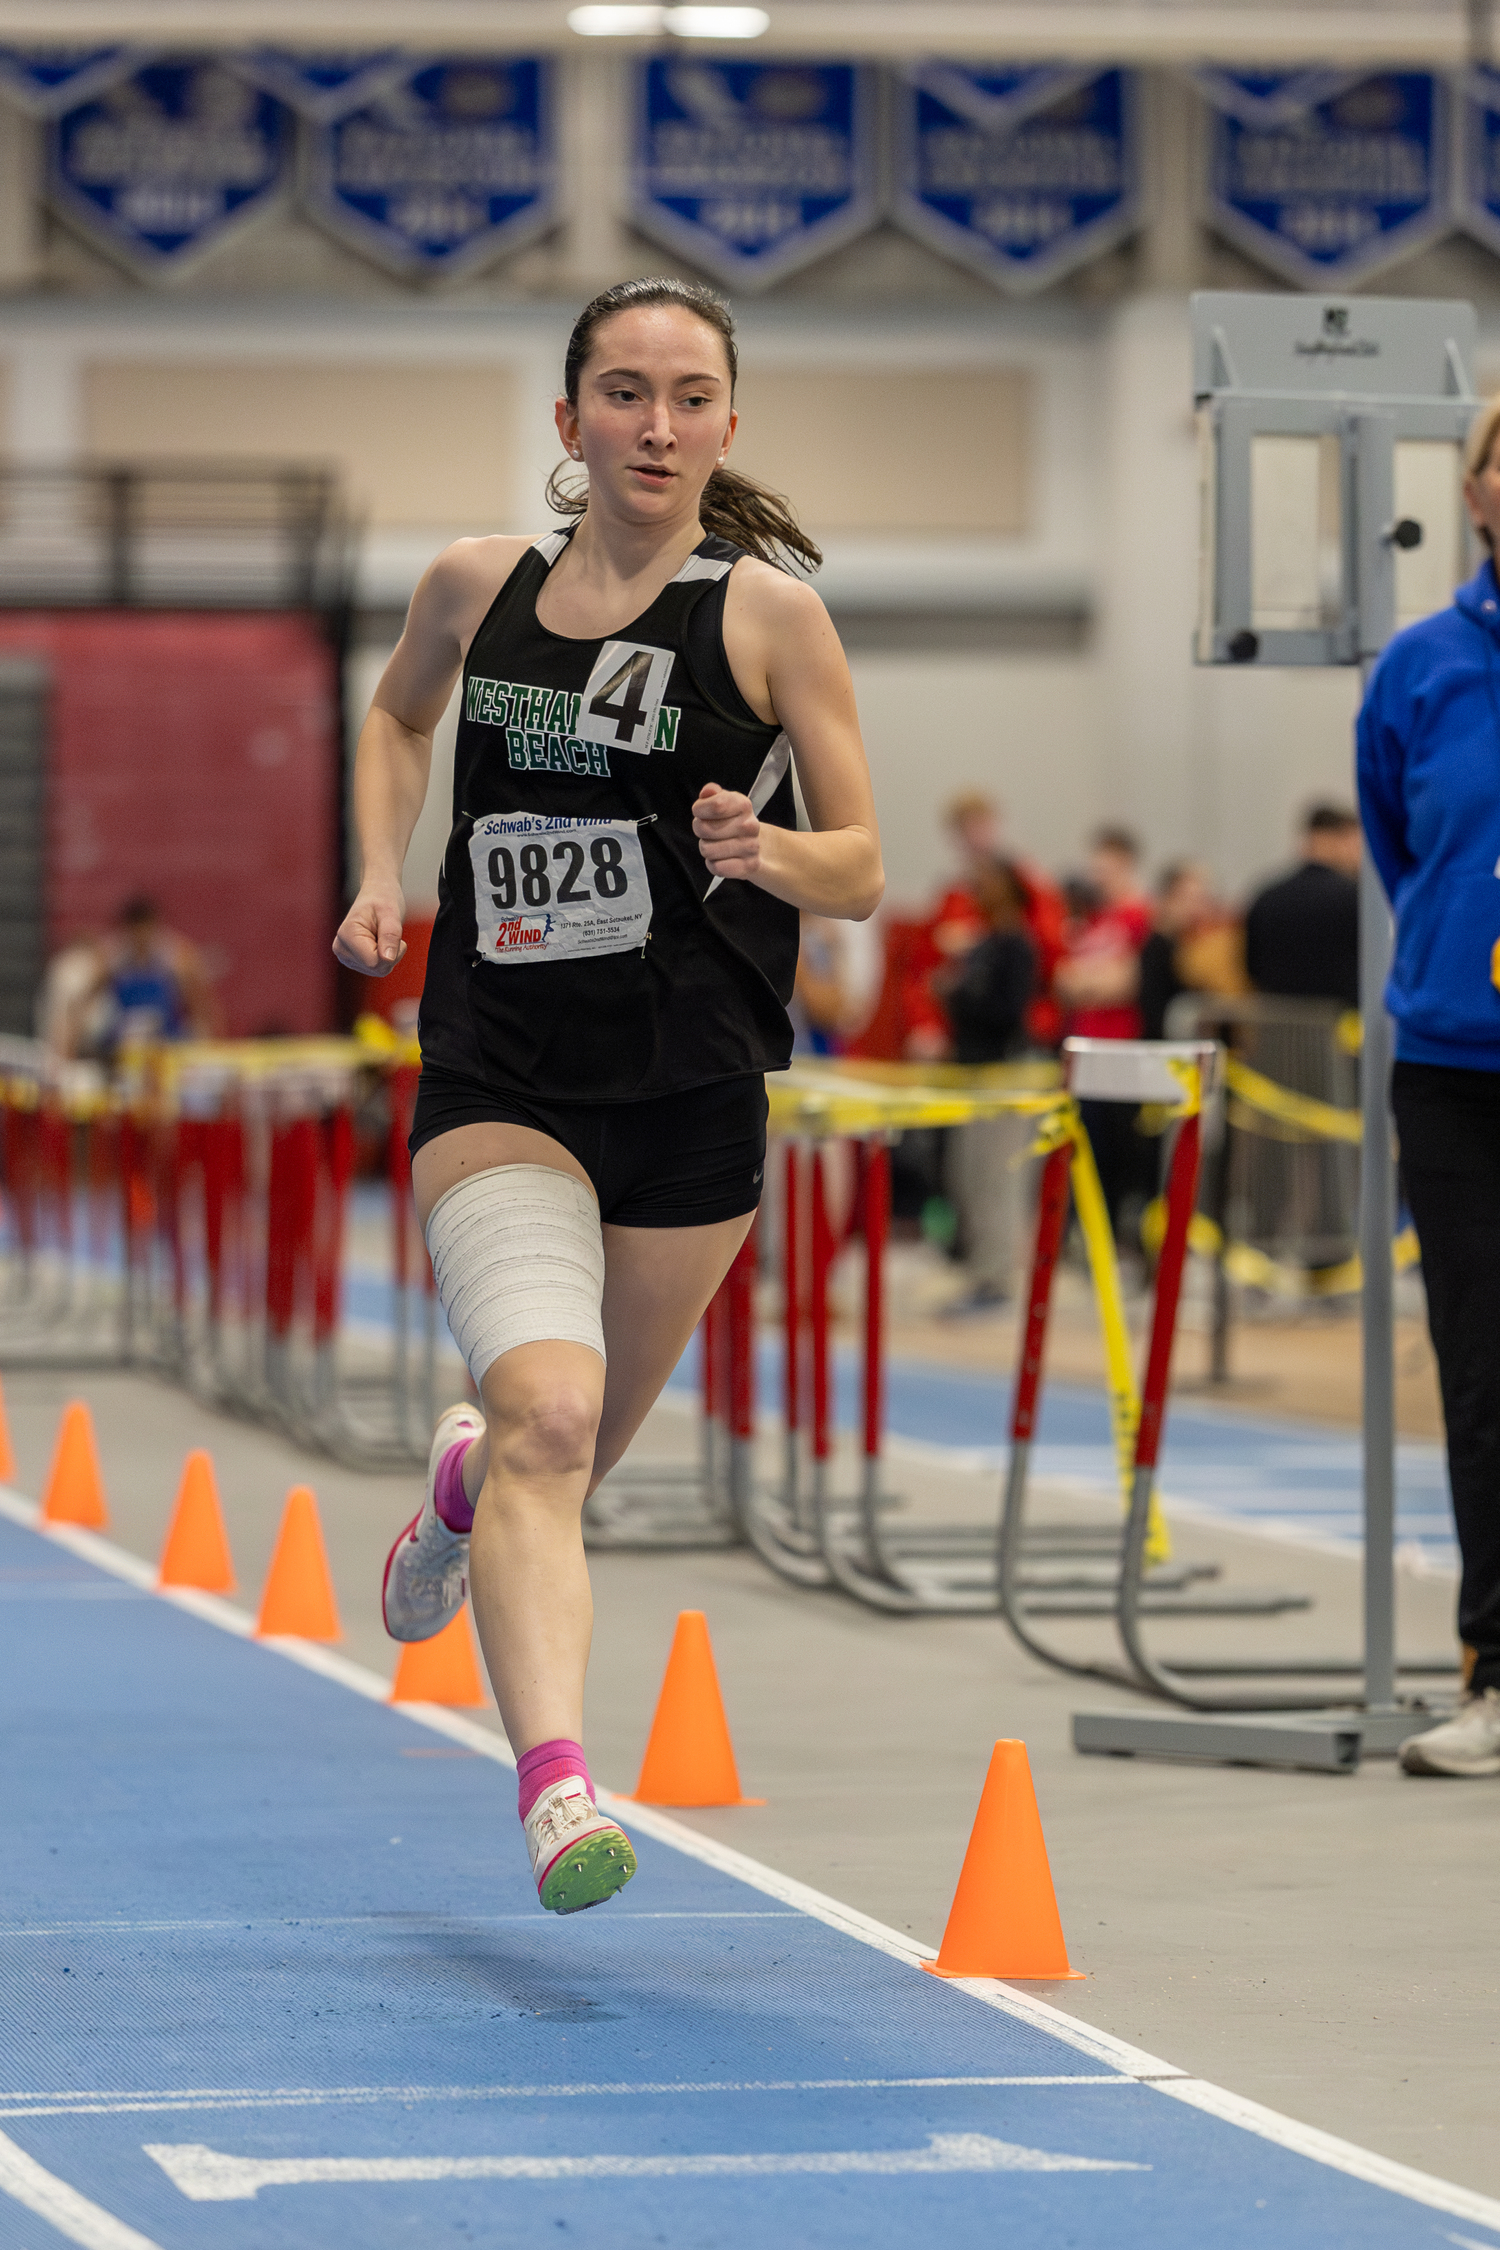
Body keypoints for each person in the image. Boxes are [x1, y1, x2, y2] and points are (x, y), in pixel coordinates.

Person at [334, 277, 883, 1907]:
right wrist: (382, 866)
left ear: (729, 422)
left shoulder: (771, 618)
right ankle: (560, 1786)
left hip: (695, 1090)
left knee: (569, 1448)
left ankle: (459, 1486)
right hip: (503, 1069)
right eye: (626, 394)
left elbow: (860, 866)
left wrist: (764, 847)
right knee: (552, 1418)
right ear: (568, 422)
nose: (659, 424)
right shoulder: (473, 585)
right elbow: (396, 712)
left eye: (692, 395)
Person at [1358, 391, 1500, 1779]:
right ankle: (1496, 1671)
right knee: (1484, 1379)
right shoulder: (1421, 668)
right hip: (1460, 1070)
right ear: (1475, 490)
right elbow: (1406, 849)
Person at [935, 860, 1037, 1311]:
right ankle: (981, 1270)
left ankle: (998, 1277)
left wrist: (956, 995)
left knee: (998, 1180)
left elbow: (1007, 1013)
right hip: (973, 1075)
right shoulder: (982, 945)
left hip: (1005, 1076)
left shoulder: (1016, 948)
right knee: (968, 1176)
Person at [1054, 825, 1153, 1241]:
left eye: (1106, 868)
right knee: (1088, 1149)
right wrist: (1094, 982)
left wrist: (1088, 983)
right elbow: (1062, 982)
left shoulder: (1138, 917)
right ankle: (1092, 1234)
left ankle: (1123, 1236)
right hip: (1085, 1049)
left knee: (1123, 1152)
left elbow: (1127, 982)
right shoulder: (1086, 921)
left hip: (1123, 1048)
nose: (1098, 877)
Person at [61, 896, 215, 1059]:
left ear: (155, 927)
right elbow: (83, 1001)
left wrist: (208, 1048)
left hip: (167, 1041)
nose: (141, 939)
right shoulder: (112, 957)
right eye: (136, 933)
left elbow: (203, 1006)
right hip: (125, 1043)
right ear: (127, 930)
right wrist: (69, 1047)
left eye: (146, 931)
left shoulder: (177, 957)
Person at [1244, 805, 1361, 1008]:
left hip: (1276, 1029)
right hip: (1343, 1030)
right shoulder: (1354, 898)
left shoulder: (1266, 897)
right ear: (1338, 839)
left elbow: (1251, 968)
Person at [1138, 861, 1247, 1040]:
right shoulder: (1158, 949)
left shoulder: (1200, 945)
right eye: (1187, 898)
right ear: (1166, 899)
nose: (1195, 907)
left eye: (1201, 899)